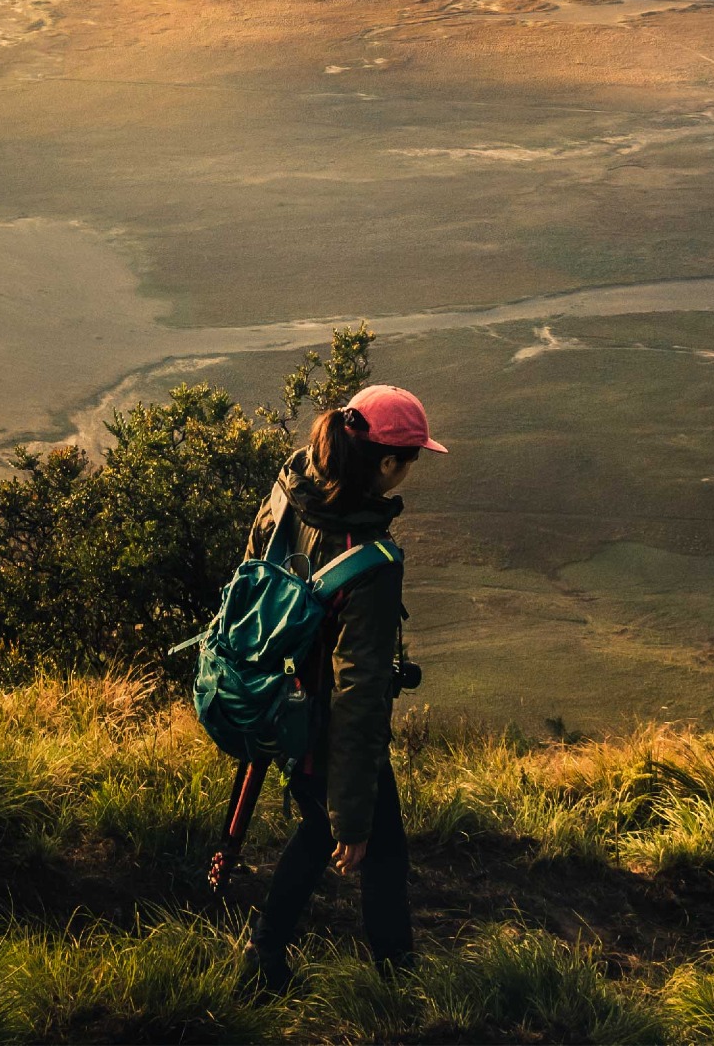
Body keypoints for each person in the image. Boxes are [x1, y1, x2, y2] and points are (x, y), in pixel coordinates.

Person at [242, 382, 447, 994]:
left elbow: (253, 571)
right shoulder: (372, 563)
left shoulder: (294, 488)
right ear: (386, 463)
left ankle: (272, 958)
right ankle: (384, 978)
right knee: (367, 842)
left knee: (335, 829)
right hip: (323, 723)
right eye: (410, 459)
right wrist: (349, 818)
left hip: (277, 697)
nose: (410, 471)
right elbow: (359, 696)